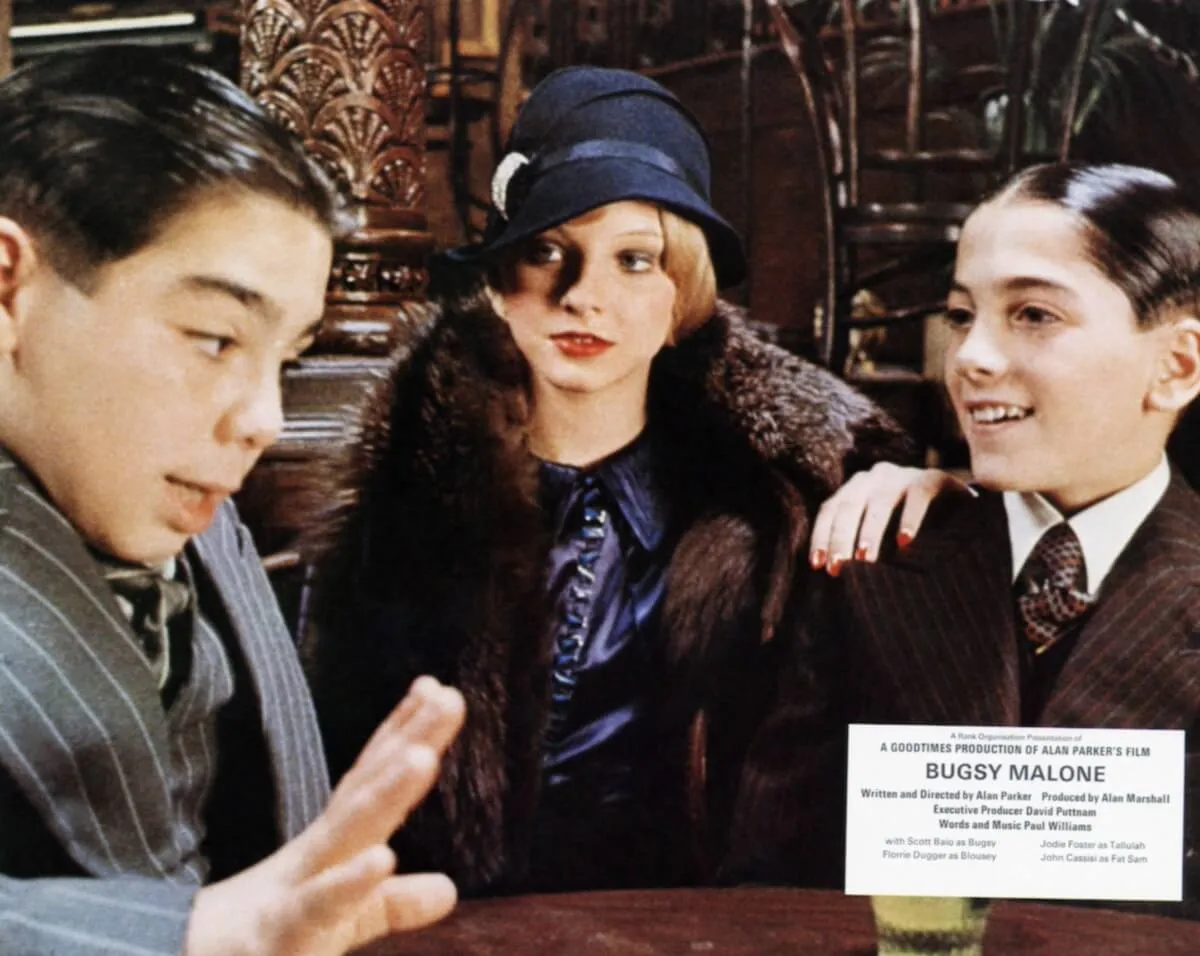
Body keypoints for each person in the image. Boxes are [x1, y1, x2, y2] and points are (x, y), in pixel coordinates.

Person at [304, 65, 911, 895]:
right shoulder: (400, 500)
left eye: (634, 259)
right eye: (548, 249)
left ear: (681, 298)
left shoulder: (777, 502)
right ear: (498, 280)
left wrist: (935, 500)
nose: (583, 296)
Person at [0, 48, 466, 955]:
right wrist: (199, 933)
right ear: (9, 286)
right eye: (216, 339)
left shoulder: (188, 515)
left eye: (285, 358)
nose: (265, 419)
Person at [729, 162, 1200, 913]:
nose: (971, 357)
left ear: (1175, 366)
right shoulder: (875, 563)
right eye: (959, 315)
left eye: (1034, 315)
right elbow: (772, 885)